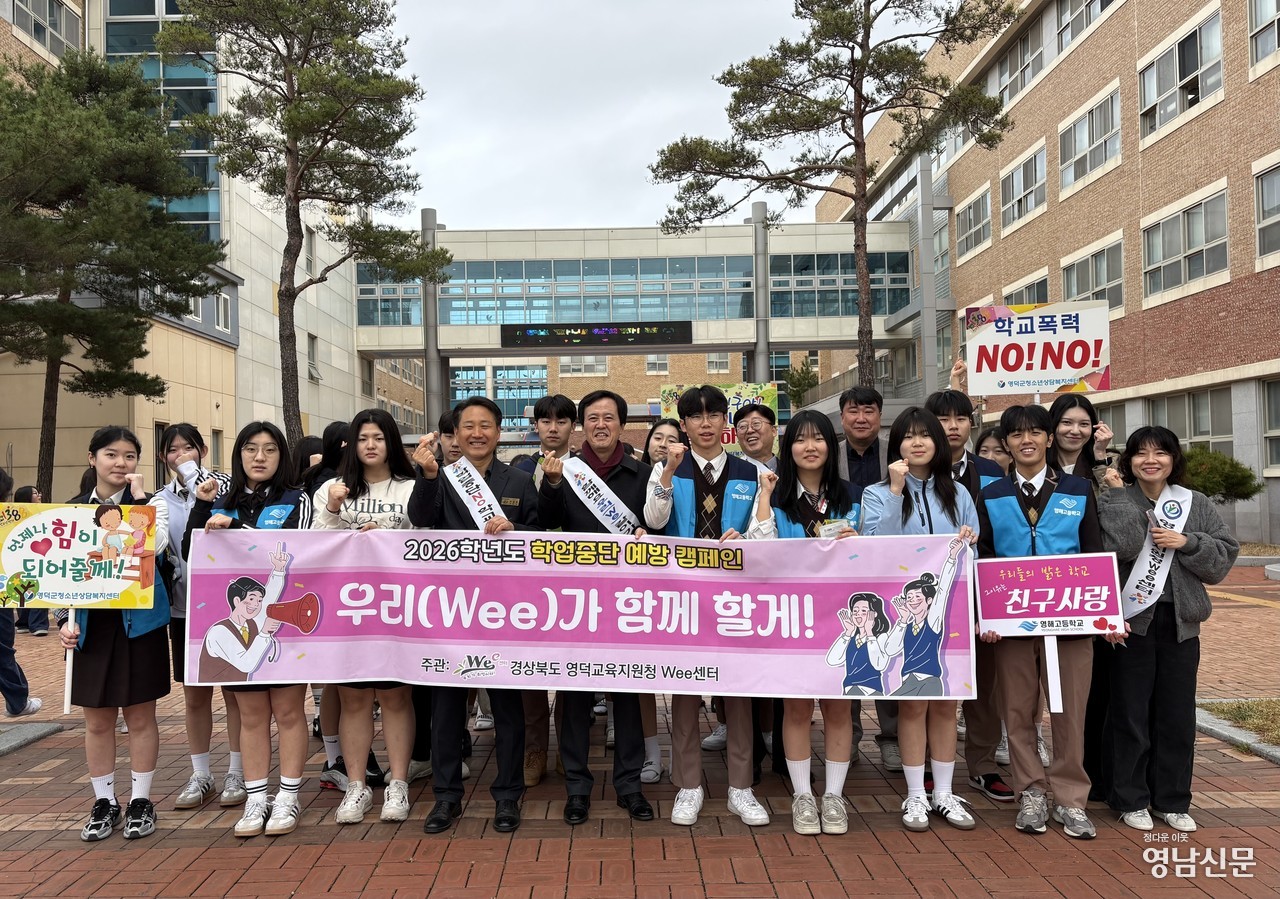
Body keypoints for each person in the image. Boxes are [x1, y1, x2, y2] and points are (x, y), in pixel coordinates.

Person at [977, 405, 1116, 840]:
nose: (1027, 440)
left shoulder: (1077, 488)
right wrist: (987, 615)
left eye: (1036, 432)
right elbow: (984, 557)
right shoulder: (991, 493)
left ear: (1049, 439)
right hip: (1012, 624)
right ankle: (1031, 791)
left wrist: (1105, 615)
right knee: (1018, 710)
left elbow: (1093, 552)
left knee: (1069, 711)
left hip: (1071, 621)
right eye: (1017, 434)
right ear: (1006, 443)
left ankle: (1071, 798)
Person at [408, 396, 539, 834]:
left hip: (507, 614)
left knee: (507, 710)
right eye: (468, 426)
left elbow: (544, 536)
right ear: (456, 433)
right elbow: (419, 519)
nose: (477, 433)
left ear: (498, 433)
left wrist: (517, 529)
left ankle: (508, 795)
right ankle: (446, 797)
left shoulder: (520, 480)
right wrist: (428, 476)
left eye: (486, 425)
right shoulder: (440, 477)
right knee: (446, 710)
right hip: (452, 614)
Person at [1098, 427, 1237, 833]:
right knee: (1130, 712)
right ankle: (1130, 798)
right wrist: (1119, 498)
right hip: (1130, 622)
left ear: (1174, 459)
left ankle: (1172, 800)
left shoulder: (1196, 503)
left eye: (1160, 453)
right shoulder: (1116, 498)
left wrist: (1188, 541)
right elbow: (1115, 550)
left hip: (1181, 624)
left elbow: (1223, 559)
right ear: (1129, 460)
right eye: (1141, 453)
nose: (1151, 460)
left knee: (1177, 715)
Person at [643, 384, 768, 827]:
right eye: (695, 416)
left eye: (714, 414)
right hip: (683, 595)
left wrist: (746, 537)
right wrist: (666, 472)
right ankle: (688, 785)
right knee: (684, 690)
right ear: (684, 425)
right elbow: (654, 520)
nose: (706, 423)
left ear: (725, 421)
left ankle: (741, 787)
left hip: (735, 596)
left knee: (738, 692)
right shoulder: (667, 469)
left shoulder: (750, 471)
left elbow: (766, 533)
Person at [184, 421, 311, 836]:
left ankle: (288, 797)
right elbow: (191, 553)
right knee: (252, 715)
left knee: (289, 712)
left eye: (270, 449)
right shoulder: (223, 499)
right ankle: (256, 799)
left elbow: (297, 548)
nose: (259, 457)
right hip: (236, 623)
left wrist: (236, 530)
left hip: (284, 625)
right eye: (250, 448)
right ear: (238, 455)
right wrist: (203, 508)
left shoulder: (297, 498)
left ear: (282, 456)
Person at [538, 390, 655, 826]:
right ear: (581, 425)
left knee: (628, 694)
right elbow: (545, 522)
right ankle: (577, 787)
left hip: (628, 602)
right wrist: (553, 484)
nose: (601, 424)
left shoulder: (644, 474)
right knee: (574, 696)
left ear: (622, 424)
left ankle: (629, 785)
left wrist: (647, 535)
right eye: (592, 418)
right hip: (577, 602)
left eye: (609, 417)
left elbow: (659, 528)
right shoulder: (564, 470)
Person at [862, 407, 979, 832]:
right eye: (907, 436)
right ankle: (915, 794)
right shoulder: (876, 493)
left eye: (924, 435)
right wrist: (896, 491)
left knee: (947, 703)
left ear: (938, 442)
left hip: (951, 612)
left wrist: (968, 542)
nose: (916, 442)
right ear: (896, 446)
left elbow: (973, 553)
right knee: (912, 704)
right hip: (905, 612)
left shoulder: (959, 493)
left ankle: (944, 793)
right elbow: (875, 546)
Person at [744, 410, 860, 835]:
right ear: (788, 447)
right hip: (792, 619)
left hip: (843, 619)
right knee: (795, 708)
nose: (810, 447)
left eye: (818, 438)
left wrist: (861, 545)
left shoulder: (853, 496)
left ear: (831, 445)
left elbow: (879, 556)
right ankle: (803, 796)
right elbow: (760, 551)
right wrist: (763, 497)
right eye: (800, 439)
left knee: (838, 706)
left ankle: (834, 796)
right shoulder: (774, 495)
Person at [58, 426, 171, 842]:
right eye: (111, 454)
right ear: (92, 458)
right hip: (91, 627)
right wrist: (63, 621)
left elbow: (156, 549)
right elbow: (57, 577)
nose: (120, 463)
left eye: (129, 456)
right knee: (98, 720)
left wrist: (139, 503)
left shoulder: (149, 506)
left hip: (139, 625)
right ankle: (104, 801)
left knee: (141, 716)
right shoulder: (69, 512)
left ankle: (141, 800)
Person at [313, 409, 418, 826]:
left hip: (396, 607)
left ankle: (398, 782)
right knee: (354, 698)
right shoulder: (331, 490)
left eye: (378, 437)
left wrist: (386, 538)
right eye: (362, 438)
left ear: (391, 442)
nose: (370, 445)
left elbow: (426, 541)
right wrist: (334, 510)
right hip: (348, 609)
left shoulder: (411, 488)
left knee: (395, 697)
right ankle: (356, 785)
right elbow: (313, 548)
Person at [923, 391, 1013, 805]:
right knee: (928, 678)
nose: (953, 426)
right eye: (943, 419)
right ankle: (927, 766)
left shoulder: (992, 471)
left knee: (983, 683)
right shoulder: (917, 472)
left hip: (984, 587)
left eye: (961, 418)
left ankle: (983, 765)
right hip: (932, 597)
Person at [154, 423, 245, 813]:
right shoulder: (158, 501)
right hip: (184, 608)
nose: (182, 456)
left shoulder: (229, 489)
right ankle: (201, 774)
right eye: (173, 450)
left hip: (228, 610)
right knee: (195, 695)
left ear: (203, 450)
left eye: (188, 448)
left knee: (235, 694)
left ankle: (237, 772)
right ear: (163, 458)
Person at [511, 394, 576, 787]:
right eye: (546, 421)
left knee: (570, 666)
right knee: (530, 666)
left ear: (573, 426)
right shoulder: (518, 469)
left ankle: (569, 747)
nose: (553, 428)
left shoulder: (585, 470)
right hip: (526, 584)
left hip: (574, 582)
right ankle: (534, 748)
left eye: (561, 421)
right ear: (535, 426)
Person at [833, 386, 899, 773]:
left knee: (890, 649)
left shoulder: (897, 454)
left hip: (890, 569)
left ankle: (892, 738)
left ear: (880, 415)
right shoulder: (830, 455)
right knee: (853, 654)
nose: (861, 418)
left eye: (869, 410)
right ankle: (850, 736)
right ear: (842, 417)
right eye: (853, 411)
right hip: (841, 571)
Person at [0, 468, 41, 719]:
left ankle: (18, 700)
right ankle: (17, 700)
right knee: (3, 648)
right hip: (3, 594)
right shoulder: (9, 519)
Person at [10, 485, 49, 636]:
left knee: (39, 585)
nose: (39, 495)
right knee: (22, 586)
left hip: (39, 555)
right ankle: (25, 622)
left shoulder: (44, 512)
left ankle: (36, 623)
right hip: (21, 556)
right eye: (35, 493)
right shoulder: (14, 515)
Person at [733, 403, 778, 472]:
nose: (750, 430)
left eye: (756, 423)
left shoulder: (792, 469)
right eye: (743, 426)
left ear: (773, 431)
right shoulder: (729, 472)